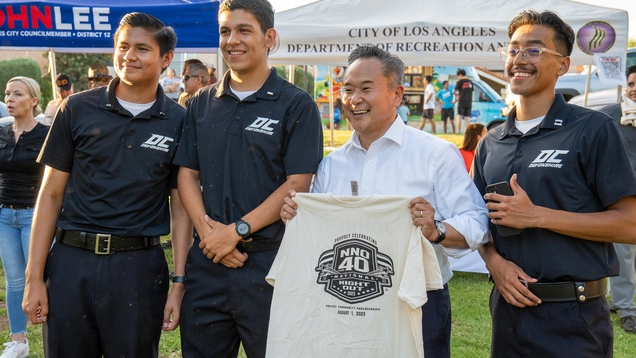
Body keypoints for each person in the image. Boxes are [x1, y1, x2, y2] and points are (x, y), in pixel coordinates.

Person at [281, 45, 489, 358]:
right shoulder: (332, 164)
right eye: (348, 89)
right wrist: (297, 218)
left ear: (397, 94)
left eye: (367, 88)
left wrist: (436, 229)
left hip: (416, 302)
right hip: (343, 301)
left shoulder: (435, 154)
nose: (354, 100)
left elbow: (477, 223)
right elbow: (318, 242)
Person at [22, 12, 191, 358]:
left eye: (143, 48)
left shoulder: (179, 121)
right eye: (123, 46)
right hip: (71, 263)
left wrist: (179, 282)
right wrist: (33, 278)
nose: (129, 56)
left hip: (139, 269)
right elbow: (51, 194)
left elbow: (180, 209)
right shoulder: (77, 108)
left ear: (166, 58)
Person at [474, 10, 636, 357]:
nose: (519, 59)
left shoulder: (593, 129)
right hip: (506, 313)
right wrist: (494, 262)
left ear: (562, 65)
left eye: (534, 50)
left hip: (574, 318)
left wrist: (537, 216)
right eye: (514, 49)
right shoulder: (491, 141)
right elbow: (479, 222)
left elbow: (630, 224)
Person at [174, 0, 323, 356]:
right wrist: (212, 236)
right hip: (207, 264)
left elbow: (297, 184)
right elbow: (186, 176)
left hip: (272, 266)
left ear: (269, 37)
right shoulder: (200, 103)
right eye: (225, 30)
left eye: (244, 30)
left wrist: (237, 231)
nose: (232, 40)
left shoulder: (297, 104)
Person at [0, 77, 48, 358]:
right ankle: (19, 341)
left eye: (17, 94)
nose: (10, 99)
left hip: (35, 216)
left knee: (40, 276)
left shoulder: (47, 134)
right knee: (15, 280)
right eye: (7, 94)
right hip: (5, 215)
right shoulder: (2, 133)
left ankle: (53, 331)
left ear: (33, 101)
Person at [599, 64, 636, 334]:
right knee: (624, 255)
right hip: (624, 197)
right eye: (632, 84)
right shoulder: (610, 116)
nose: (634, 89)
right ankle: (626, 308)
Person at [454, 68, 473, 133]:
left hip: (461, 102)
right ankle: (468, 132)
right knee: (467, 118)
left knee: (459, 116)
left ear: (460, 75)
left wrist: (456, 94)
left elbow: (454, 91)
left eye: (458, 76)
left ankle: (458, 132)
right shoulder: (470, 82)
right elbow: (469, 91)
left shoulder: (460, 82)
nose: (459, 77)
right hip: (468, 102)